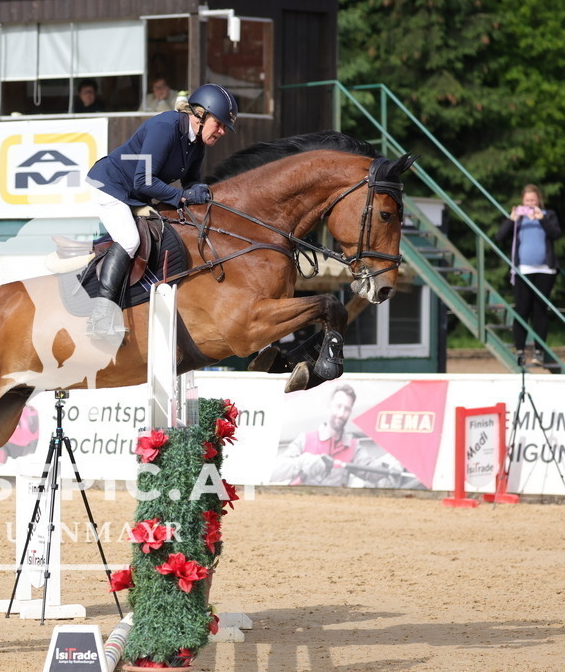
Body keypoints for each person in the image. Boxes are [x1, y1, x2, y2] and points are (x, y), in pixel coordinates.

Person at [84, 83, 237, 338]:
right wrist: (183, 196)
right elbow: (143, 180)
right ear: (200, 116)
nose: (221, 131)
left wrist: (206, 193)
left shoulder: (196, 142)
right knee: (130, 240)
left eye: (224, 128)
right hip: (110, 186)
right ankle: (100, 317)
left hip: (137, 195)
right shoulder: (164, 128)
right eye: (219, 124)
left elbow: (191, 182)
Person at [271, 384, 403, 487]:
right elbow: (275, 471)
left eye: (346, 409)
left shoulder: (352, 447)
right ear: (329, 406)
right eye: (338, 406)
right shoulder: (305, 440)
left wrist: (387, 466)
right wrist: (304, 463)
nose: (341, 413)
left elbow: (369, 471)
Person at [496, 184, 561, 366]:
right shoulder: (519, 219)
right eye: (527, 201)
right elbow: (500, 237)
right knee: (522, 310)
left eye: (533, 200)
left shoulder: (549, 215)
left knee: (540, 311)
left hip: (545, 270)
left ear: (539, 200)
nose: (530, 203)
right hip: (523, 270)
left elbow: (556, 234)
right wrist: (511, 219)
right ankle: (520, 351)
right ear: (522, 202)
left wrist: (542, 219)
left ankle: (539, 352)